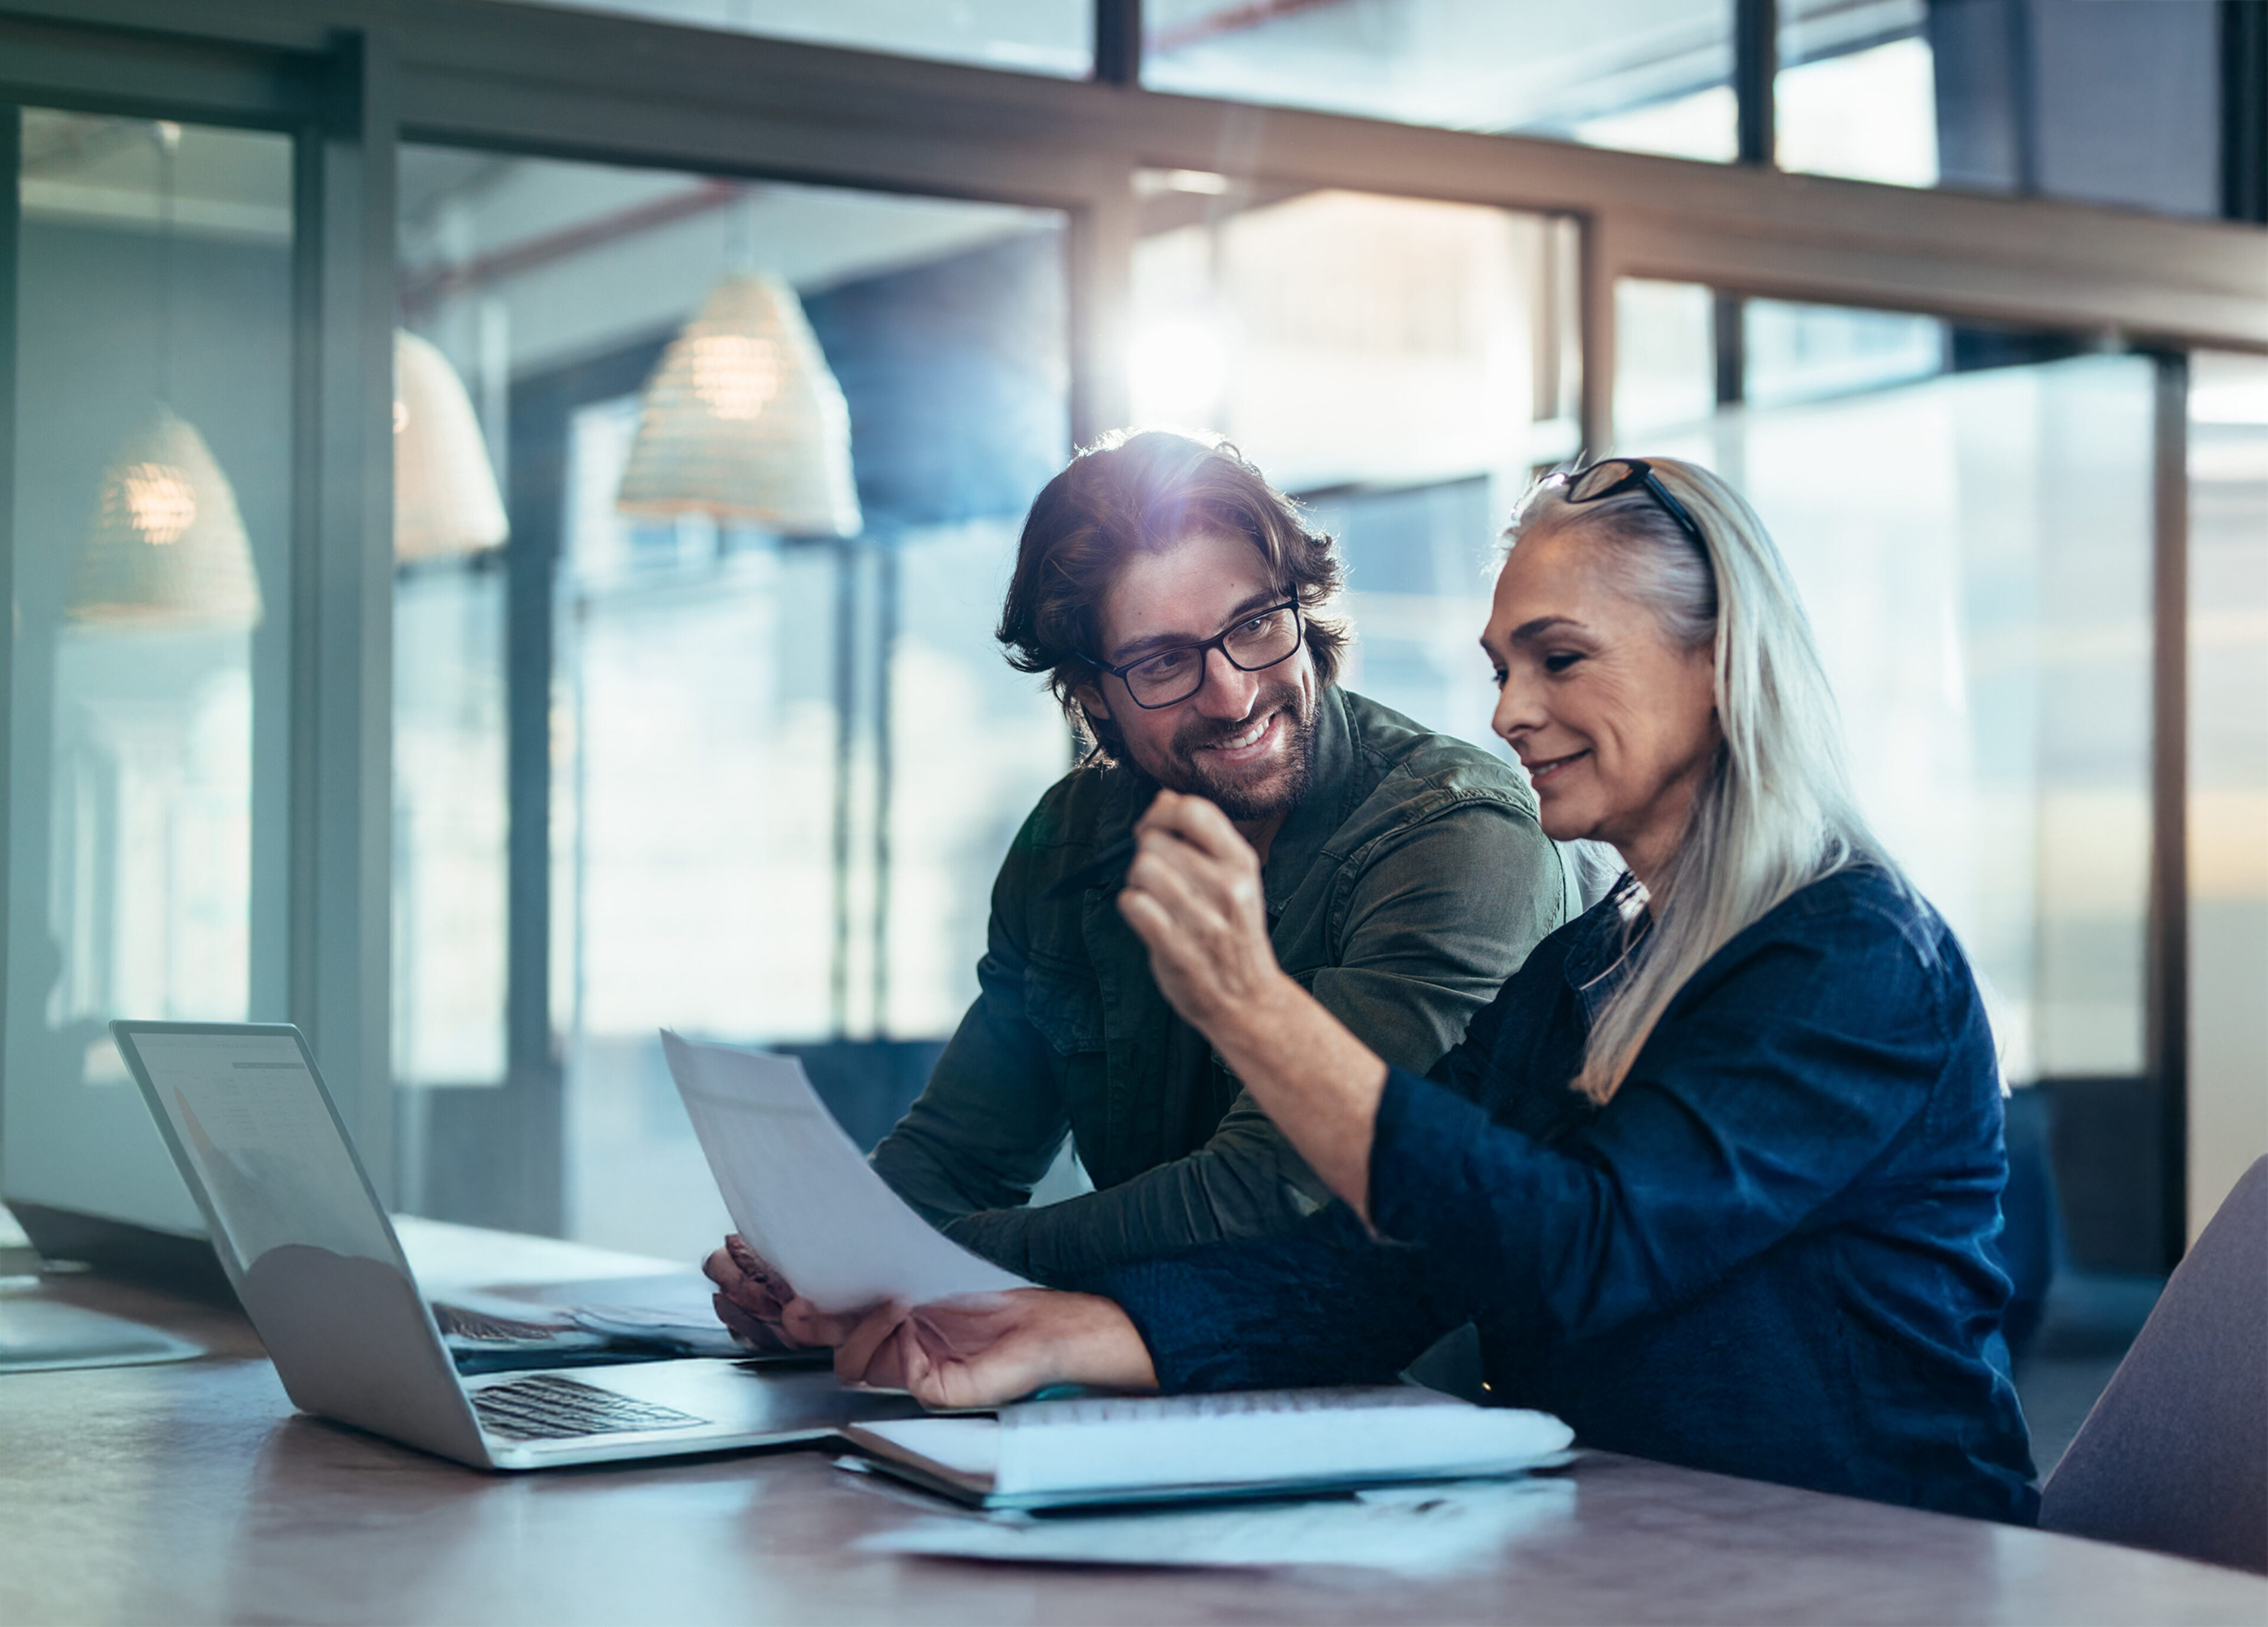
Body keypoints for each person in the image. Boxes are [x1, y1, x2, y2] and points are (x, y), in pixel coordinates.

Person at [779, 455, 2041, 1524]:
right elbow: (1397, 1265)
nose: (1509, 712)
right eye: (1501, 667)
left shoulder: (1852, 956)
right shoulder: (1593, 962)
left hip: (1872, 1558)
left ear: (1720, 664)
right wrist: (1056, 1335)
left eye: (1557, 660)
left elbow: (1579, 1249)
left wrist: (1249, 1006)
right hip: (1633, 1540)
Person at [708, 430, 1574, 1317]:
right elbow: (958, 1155)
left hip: (1412, 1410)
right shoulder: (1070, 842)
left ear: (1300, 607)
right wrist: (814, 1261)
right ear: (1090, 692)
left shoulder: (1454, 835)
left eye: (1254, 625)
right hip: (1133, 1405)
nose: (1233, 695)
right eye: (1164, 661)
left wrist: (900, 1268)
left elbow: (1268, 1194)